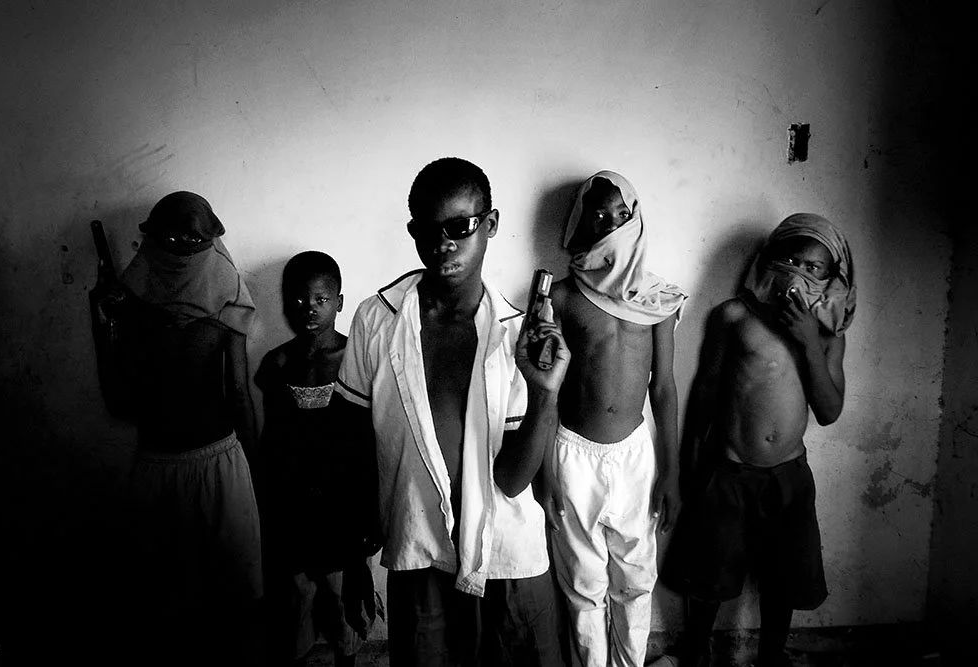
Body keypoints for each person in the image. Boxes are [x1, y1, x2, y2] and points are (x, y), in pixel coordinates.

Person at [332, 157, 569, 666]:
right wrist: (353, 557)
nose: (444, 244)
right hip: (418, 547)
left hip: (507, 555)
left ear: (491, 224)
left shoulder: (515, 334)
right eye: (428, 229)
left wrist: (545, 393)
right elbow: (351, 450)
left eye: (460, 227)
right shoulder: (378, 321)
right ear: (413, 231)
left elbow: (512, 481)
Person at [660, 213, 856, 667]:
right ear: (769, 260)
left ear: (832, 277)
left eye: (813, 268)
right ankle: (696, 650)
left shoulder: (829, 336)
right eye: (791, 260)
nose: (798, 274)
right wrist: (690, 467)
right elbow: (705, 394)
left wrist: (808, 342)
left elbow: (829, 412)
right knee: (708, 573)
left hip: (788, 477)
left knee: (783, 579)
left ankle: (770, 657)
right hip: (728, 472)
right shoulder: (734, 317)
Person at [106, 191, 262, 666]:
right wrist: (108, 321)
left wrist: (255, 470)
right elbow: (121, 401)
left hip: (208, 462)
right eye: (172, 240)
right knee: (177, 600)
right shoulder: (133, 301)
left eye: (191, 241)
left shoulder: (218, 301)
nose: (181, 251)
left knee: (213, 597)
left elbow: (238, 392)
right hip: (173, 464)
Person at [544, 171, 687, 667]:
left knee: (636, 578)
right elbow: (544, 390)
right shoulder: (561, 297)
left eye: (621, 214)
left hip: (635, 456)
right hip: (573, 453)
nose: (610, 223)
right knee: (583, 584)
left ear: (636, 219)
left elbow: (663, 388)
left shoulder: (658, 300)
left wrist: (672, 472)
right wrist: (547, 470)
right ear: (581, 220)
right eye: (599, 214)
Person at [254, 251, 375, 667]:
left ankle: (347, 657)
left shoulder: (357, 359)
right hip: (292, 499)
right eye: (299, 300)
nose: (309, 309)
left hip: (343, 500)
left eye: (321, 300)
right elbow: (272, 440)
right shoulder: (278, 363)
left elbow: (369, 438)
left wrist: (371, 509)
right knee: (298, 592)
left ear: (339, 302)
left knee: (340, 593)